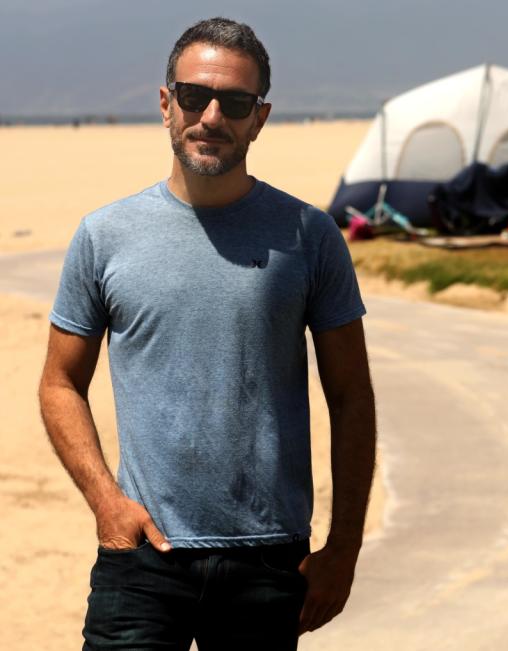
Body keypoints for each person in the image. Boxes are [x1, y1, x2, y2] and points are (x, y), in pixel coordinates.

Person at [37, 17, 376, 650]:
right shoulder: (103, 236)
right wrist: (107, 503)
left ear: (260, 117)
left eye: (235, 102)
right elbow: (59, 382)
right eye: (194, 96)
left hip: (268, 563)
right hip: (140, 555)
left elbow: (352, 397)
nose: (212, 116)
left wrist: (345, 547)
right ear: (167, 104)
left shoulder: (309, 237)